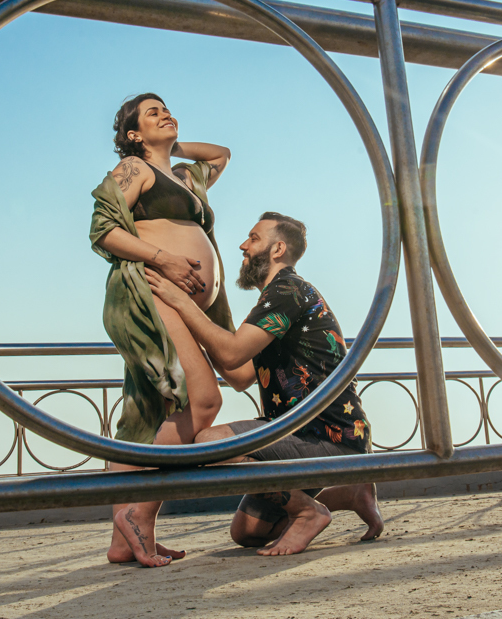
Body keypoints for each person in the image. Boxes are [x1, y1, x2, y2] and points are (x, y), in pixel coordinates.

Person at [145, 212, 383, 556]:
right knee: (247, 533)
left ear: (278, 249)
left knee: (210, 444)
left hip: (326, 435)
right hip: (295, 435)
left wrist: (181, 302)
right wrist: (193, 331)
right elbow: (240, 376)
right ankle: (348, 492)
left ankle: (307, 511)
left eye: (254, 238)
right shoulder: (276, 298)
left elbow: (230, 356)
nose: (243, 245)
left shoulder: (287, 290)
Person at [89, 92, 239, 567]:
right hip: (151, 292)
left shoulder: (183, 175)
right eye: (152, 113)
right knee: (204, 401)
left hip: (184, 303)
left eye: (167, 108)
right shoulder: (134, 171)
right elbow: (102, 230)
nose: (165, 114)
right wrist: (167, 260)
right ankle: (137, 515)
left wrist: (169, 147)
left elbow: (221, 154)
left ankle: (128, 538)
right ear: (133, 135)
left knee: (145, 417)